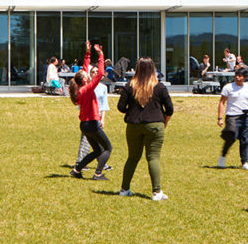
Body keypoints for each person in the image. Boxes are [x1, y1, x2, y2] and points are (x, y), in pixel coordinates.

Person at [116, 57, 175, 200]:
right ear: (153, 69)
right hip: (155, 125)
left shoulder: (129, 86)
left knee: (132, 157)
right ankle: (157, 192)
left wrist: (132, 110)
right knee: (153, 157)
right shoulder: (160, 87)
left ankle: (124, 189)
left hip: (133, 126)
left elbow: (121, 107)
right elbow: (170, 109)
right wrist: (164, 122)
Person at [70, 45, 113, 180]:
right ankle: (98, 174)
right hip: (92, 123)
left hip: (84, 124)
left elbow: (83, 68)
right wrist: (101, 55)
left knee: (98, 150)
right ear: (83, 80)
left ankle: (77, 170)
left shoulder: (80, 88)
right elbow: (100, 74)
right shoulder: (87, 89)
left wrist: (88, 53)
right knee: (108, 148)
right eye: (85, 75)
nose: (87, 73)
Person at [216, 64, 248, 169]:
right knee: (231, 138)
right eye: (236, 75)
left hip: (244, 116)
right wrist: (220, 118)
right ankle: (222, 157)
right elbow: (222, 102)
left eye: (240, 76)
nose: (237, 77)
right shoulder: (228, 87)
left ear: (245, 78)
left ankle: (244, 162)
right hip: (232, 116)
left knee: (245, 139)